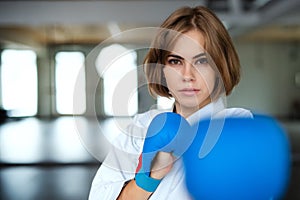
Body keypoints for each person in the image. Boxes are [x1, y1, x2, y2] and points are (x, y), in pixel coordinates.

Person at [89, 5, 253, 200]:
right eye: (176, 61)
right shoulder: (140, 128)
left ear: (220, 66)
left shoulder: (236, 126)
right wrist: (149, 177)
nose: (187, 75)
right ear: (162, 70)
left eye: (201, 61)